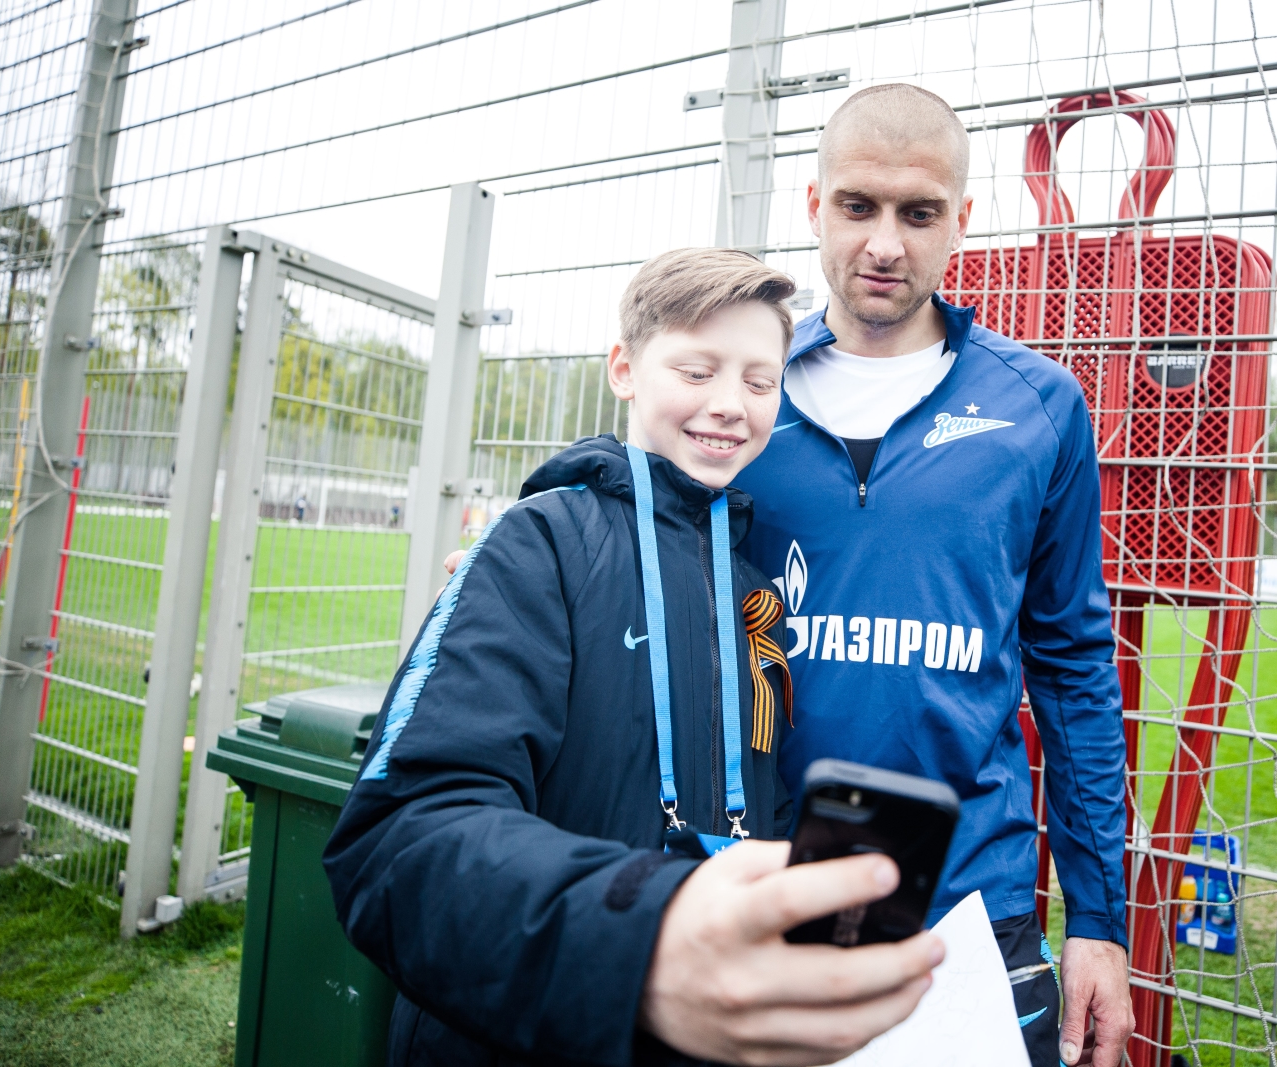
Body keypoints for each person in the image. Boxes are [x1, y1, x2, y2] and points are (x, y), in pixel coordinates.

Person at [324, 249, 943, 1067]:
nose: (729, 404)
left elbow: (757, 796)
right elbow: (400, 837)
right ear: (624, 368)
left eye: (761, 383)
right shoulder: (536, 545)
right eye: (696, 369)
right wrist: (642, 937)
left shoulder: (758, 589)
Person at [730, 84, 1132, 1067]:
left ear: (962, 220)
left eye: (918, 213)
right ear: (812, 204)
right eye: (858, 207)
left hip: (971, 897)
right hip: (760, 879)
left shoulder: (1039, 403)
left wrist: (1099, 916)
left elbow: (1074, 664)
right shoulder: (739, 391)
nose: (884, 243)